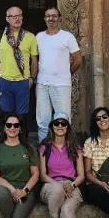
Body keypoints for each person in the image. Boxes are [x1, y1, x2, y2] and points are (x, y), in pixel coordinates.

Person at [38, 111, 84, 218]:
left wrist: (71, 185)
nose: (59, 126)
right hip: (51, 185)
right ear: (51, 127)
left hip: (72, 185)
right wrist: (58, 185)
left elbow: (81, 175)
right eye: (56, 123)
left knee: (67, 211)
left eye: (63, 123)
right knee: (57, 190)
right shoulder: (44, 147)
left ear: (68, 127)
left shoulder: (76, 148)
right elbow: (42, 174)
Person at [34, 8, 83, 143]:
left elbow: (78, 59)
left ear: (59, 18)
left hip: (61, 85)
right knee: (43, 121)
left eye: (54, 16)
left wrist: (66, 73)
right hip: (42, 84)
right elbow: (35, 59)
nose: (51, 19)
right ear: (44, 19)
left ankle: (65, 153)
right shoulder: (39, 37)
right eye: (48, 16)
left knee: (63, 120)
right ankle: (44, 152)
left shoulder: (67, 37)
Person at [0, 6, 38, 136]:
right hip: (5, 81)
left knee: (22, 116)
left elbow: (34, 60)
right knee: (6, 115)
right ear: (7, 19)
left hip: (23, 82)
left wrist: (31, 78)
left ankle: (23, 144)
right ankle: (6, 142)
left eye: (20, 15)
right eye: (13, 16)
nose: (17, 18)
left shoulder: (30, 37)